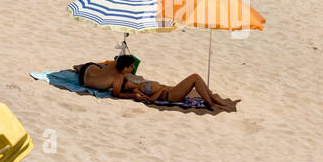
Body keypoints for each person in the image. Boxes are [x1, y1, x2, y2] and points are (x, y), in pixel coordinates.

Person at [75, 55, 228, 111]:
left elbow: (118, 65)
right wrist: (137, 94)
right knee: (195, 77)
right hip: (170, 95)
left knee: (197, 79)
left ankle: (212, 99)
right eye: (130, 68)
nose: (131, 73)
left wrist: (134, 86)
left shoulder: (120, 72)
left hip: (88, 71)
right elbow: (151, 99)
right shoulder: (126, 83)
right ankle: (211, 102)